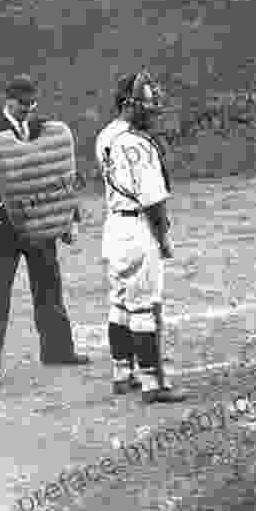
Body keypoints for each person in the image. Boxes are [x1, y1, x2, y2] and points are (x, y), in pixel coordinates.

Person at [0, 74, 89, 387]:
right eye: (22, 103)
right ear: (8, 100)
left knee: (49, 286)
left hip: (37, 223)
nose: (28, 108)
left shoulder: (44, 130)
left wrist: (70, 216)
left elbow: (58, 174)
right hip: (2, 227)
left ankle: (58, 350)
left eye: (32, 103)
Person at [95, 69, 186, 404]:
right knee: (146, 308)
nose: (152, 114)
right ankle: (152, 384)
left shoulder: (105, 136)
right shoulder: (138, 144)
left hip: (114, 227)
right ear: (128, 106)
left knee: (120, 303)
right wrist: (163, 237)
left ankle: (122, 374)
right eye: (146, 108)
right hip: (138, 229)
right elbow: (153, 200)